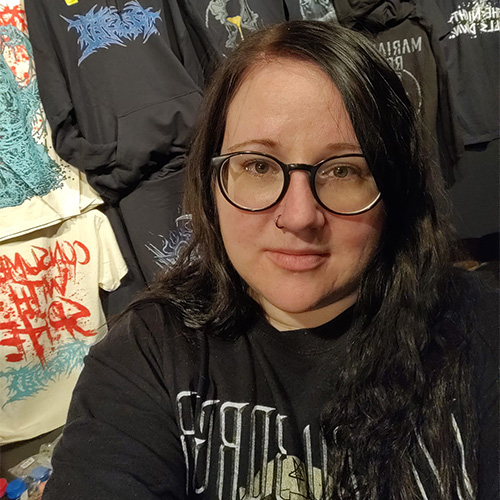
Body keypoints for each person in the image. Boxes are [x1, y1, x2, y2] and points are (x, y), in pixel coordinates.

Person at [42, 21, 498, 500]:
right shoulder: (147, 356)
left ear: (394, 189)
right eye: (258, 165)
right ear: (211, 180)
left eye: (343, 170)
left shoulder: (481, 332)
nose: (300, 216)